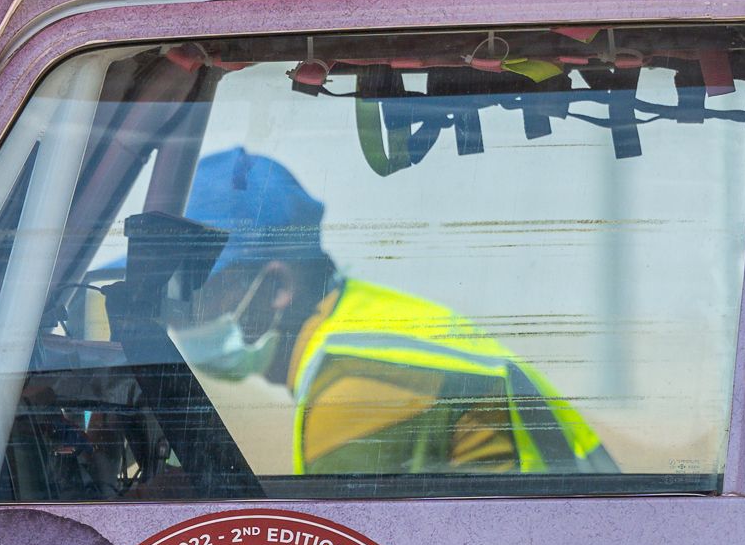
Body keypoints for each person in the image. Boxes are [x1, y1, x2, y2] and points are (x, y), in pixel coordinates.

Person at [172, 148, 613, 478]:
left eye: (189, 290)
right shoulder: (369, 323)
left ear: (276, 288)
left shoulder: (354, 389)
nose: (175, 316)